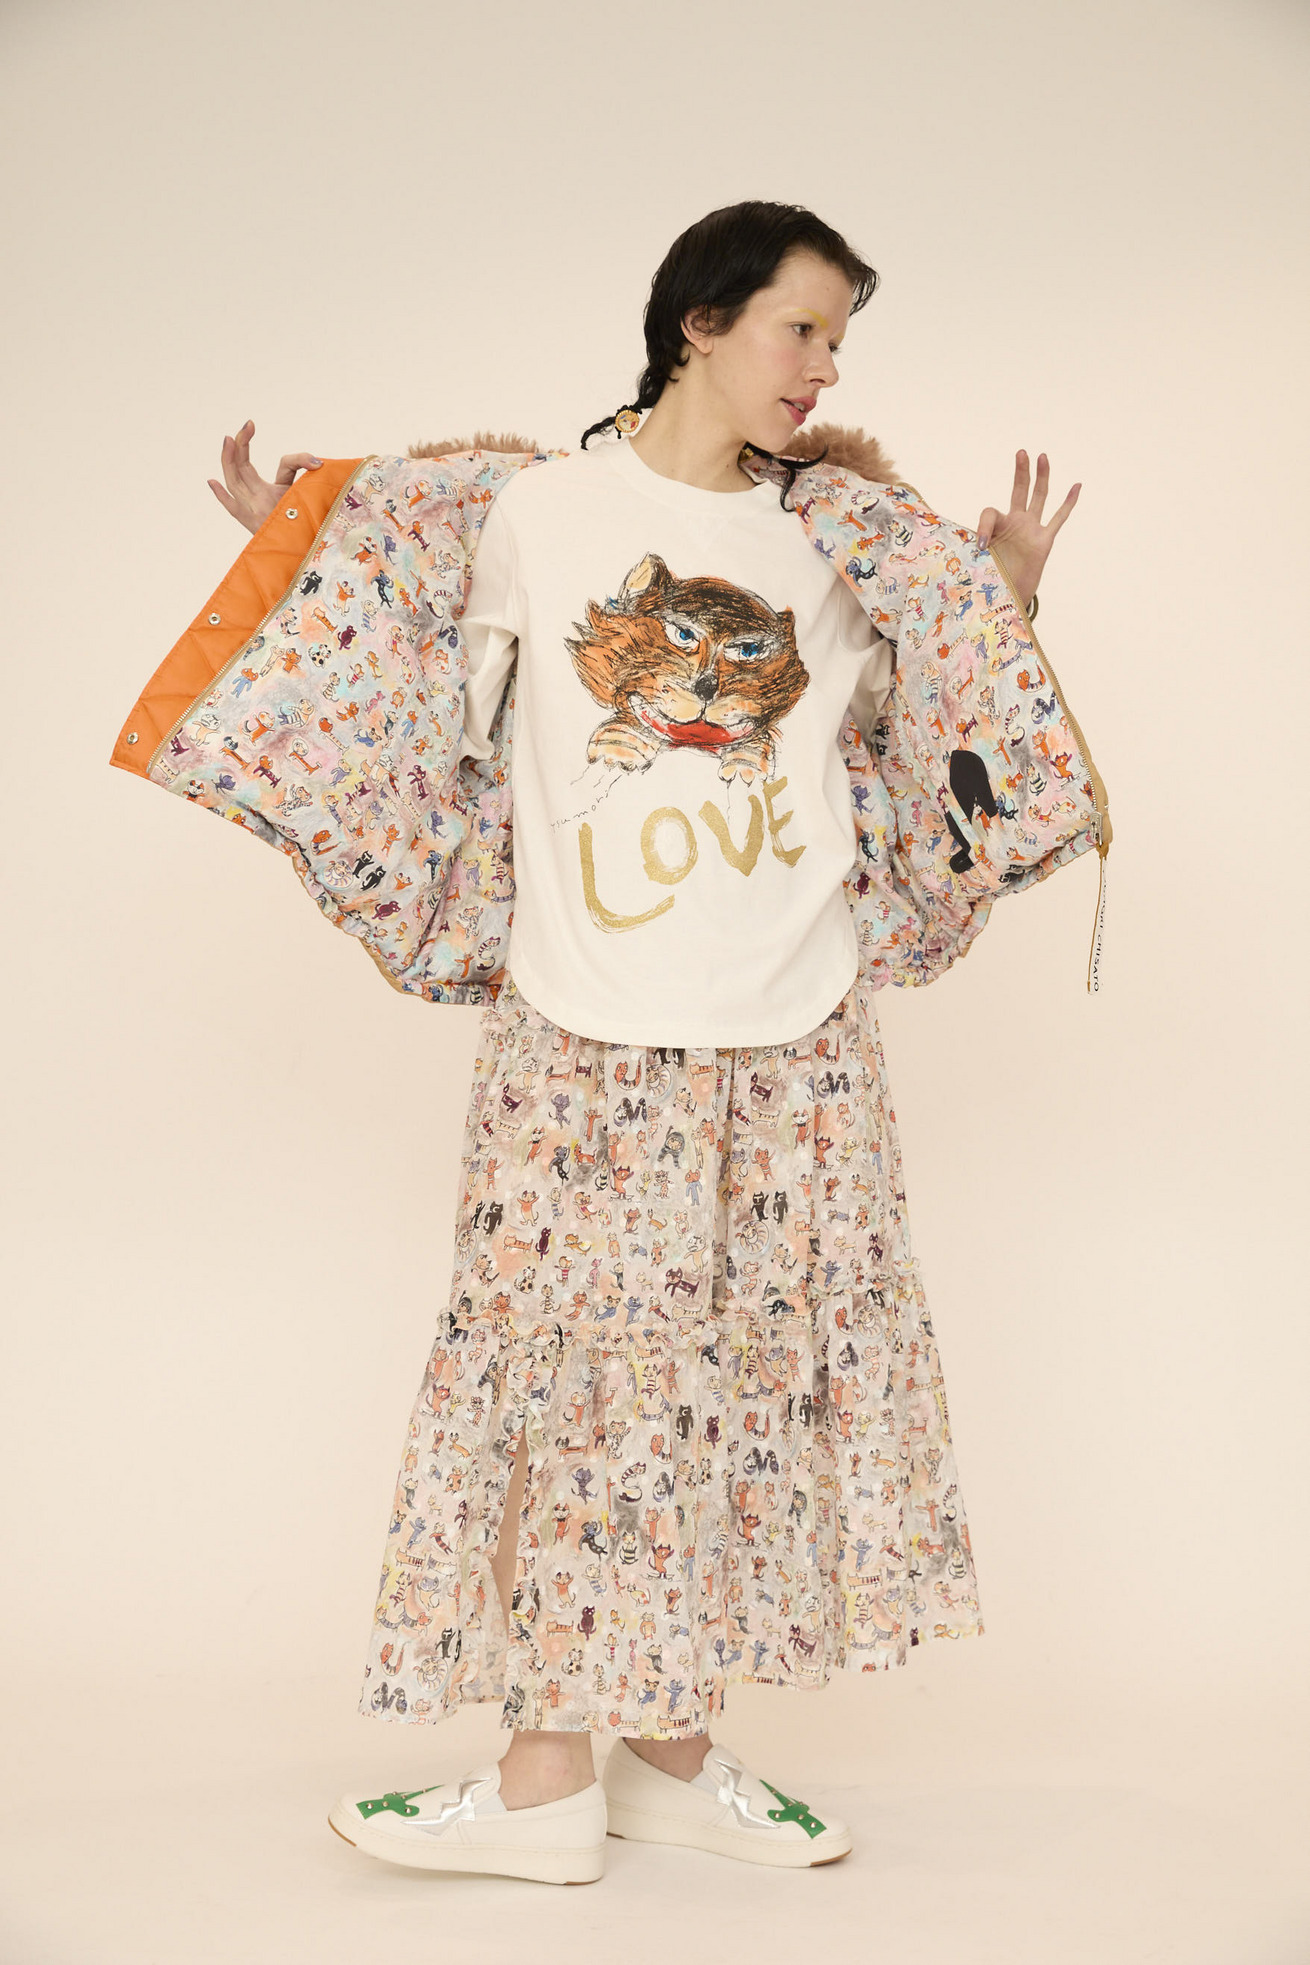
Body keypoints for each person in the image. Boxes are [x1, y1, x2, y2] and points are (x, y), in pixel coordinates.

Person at [192, 200, 1092, 1884]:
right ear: (700, 322)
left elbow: (909, 763)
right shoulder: (538, 513)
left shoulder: (838, 540)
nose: (823, 372)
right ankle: (545, 1774)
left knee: (736, 1393)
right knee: (563, 1387)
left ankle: (667, 1750)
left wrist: (1001, 610)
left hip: (794, 1039)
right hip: (583, 1032)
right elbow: (414, 685)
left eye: (839, 343)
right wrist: (309, 560)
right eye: (800, 329)